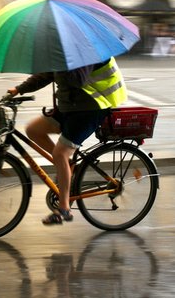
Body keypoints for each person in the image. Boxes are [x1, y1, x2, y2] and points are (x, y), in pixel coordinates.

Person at [7, 57, 127, 225]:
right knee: (33, 130)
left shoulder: (87, 51)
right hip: (69, 106)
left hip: (90, 109)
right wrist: (18, 89)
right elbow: (47, 75)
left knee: (60, 153)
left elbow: (77, 79)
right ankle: (67, 165)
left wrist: (62, 62)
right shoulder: (63, 50)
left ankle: (64, 209)